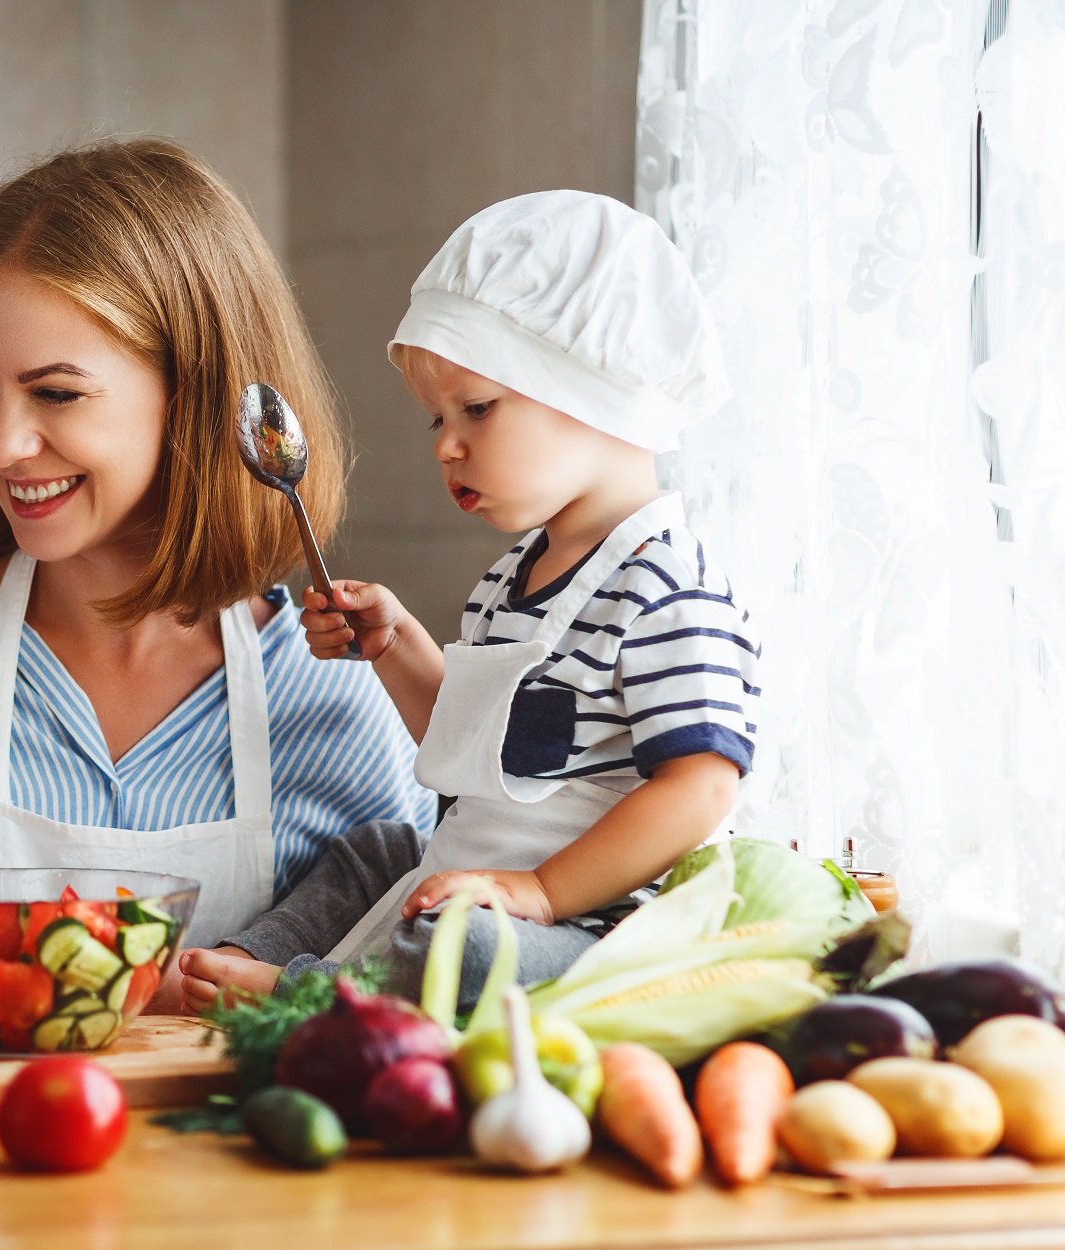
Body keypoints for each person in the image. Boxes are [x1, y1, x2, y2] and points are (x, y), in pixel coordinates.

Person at [0, 140, 440, 1033]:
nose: (0, 442)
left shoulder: (343, 692)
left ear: (198, 394)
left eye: (56, 394)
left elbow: (412, 1011)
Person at [179, 190, 759, 1012]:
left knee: (470, 945)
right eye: (437, 422)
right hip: (493, 874)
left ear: (593, 390)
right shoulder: (514, 576)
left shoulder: (669, 586)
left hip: (596, 926)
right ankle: (247, 959)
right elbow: (477, 748)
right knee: (378, 851)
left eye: (477, 410)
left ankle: (302, 998)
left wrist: (542, 893)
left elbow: (701, 787)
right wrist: (396, 644)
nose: (448, 445)